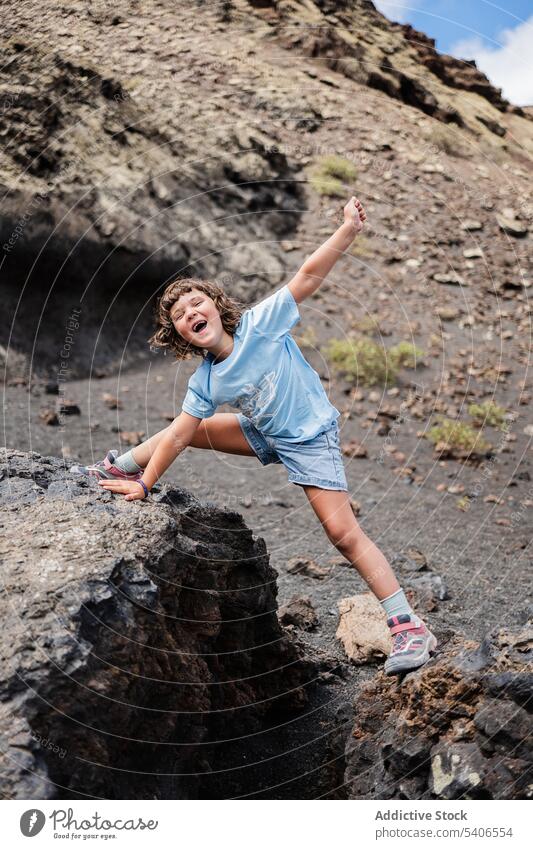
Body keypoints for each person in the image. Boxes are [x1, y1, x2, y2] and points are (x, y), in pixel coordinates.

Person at [72, 196, 437, 675]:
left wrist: (348, 229)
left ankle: (407, 626)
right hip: (265, 432)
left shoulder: (260, 326)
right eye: (181, 314)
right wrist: (144, 485)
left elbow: (307, 275)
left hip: (308, 438)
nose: (190, 312)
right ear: (180, 334)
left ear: (217, 307)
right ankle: (118, 467)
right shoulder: (205, 380)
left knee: (342, 533)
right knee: (190, 428)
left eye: (196, 302)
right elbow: (181, 435)